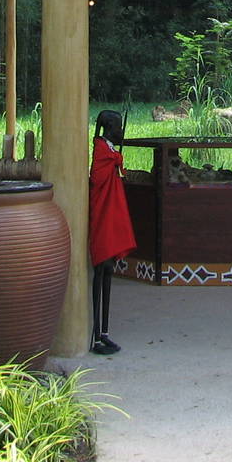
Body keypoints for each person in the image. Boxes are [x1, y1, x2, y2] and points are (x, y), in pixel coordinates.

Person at [88, 109, 136, 355]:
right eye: (118, 127)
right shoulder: (101, 152)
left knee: (108, 271)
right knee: (101, 271)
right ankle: (95, 334)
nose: (121, 132)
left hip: (111, 212)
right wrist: (115, 159)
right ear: (109, 129)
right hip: (101, 215)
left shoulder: (109, 151)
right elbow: (97, 178)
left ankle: (104, 332)